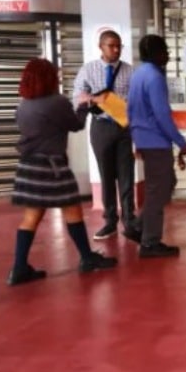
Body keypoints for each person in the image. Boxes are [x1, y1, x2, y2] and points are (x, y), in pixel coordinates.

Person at [7, 58, 117, 286]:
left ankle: (18, 269)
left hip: (28, 166)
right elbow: (75, 124)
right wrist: (85, 106)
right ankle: (87, 259)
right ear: (50, 78)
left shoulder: (23, 105)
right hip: (52, 166)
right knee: (73, 210)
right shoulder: (56, 102)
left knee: (31, 217)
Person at [127, 35, 186, 257]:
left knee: (165, 184)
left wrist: (136, 139)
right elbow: (162, 115)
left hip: (144, 140)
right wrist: (181, 142)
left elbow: (131, 110)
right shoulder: (154, 77)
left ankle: (138, 226)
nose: (168, 54)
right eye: (164, 50)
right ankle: (150, 241)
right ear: (155, 53)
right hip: (156, 142)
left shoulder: (138, 75)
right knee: (158, 191)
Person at [72, 30, 139, 241]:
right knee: (106, 174)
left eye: (119, 46)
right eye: (111, 46)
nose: (116, 50)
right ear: (101, 46)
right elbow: (77, 97)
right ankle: (110, 220)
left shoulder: (129, 71)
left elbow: (138, 98)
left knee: (126, 174)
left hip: (124, 128)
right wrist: (94, 99)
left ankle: (129, 219)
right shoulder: (88, 69)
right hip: (101, 127)